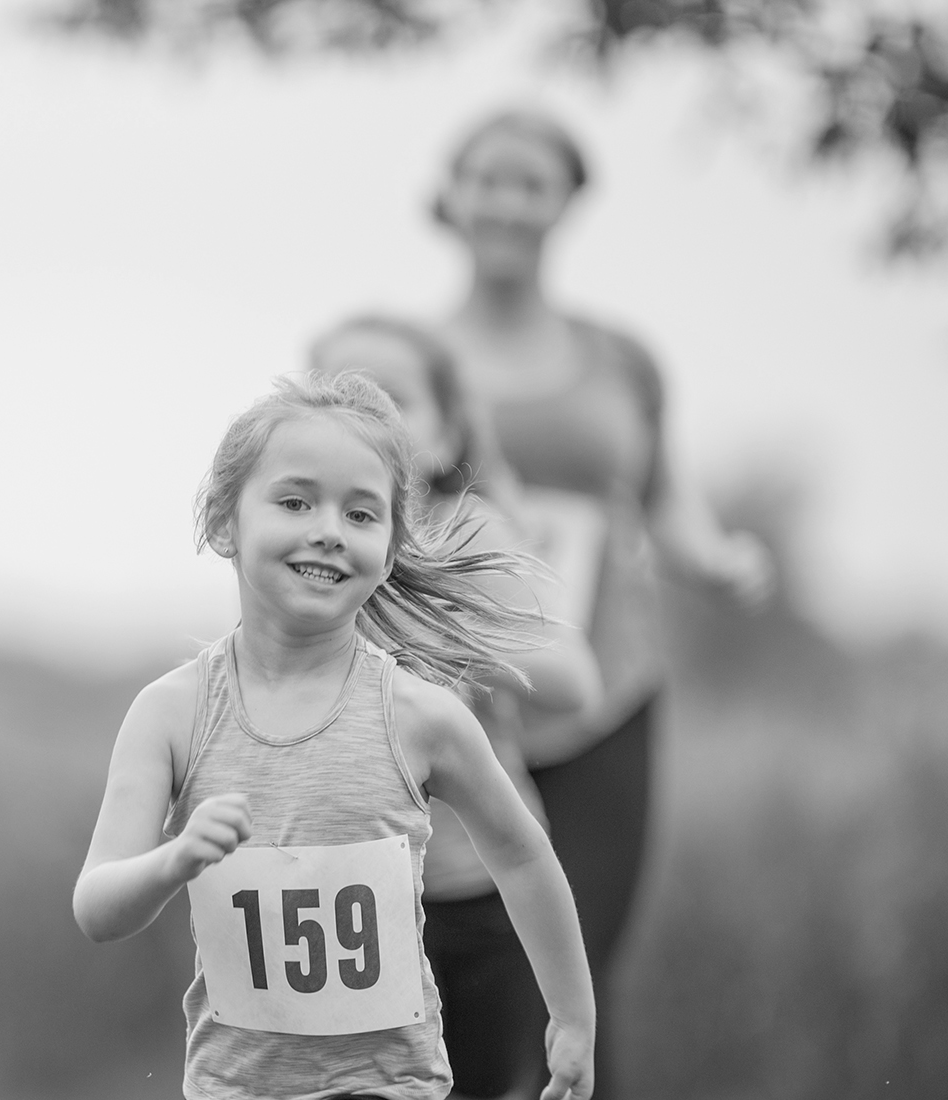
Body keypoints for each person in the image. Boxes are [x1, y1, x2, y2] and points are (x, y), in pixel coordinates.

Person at [72, 371, 596, 1100]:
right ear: (224, 523)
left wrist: (573, 1018)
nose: (328, 529)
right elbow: (97, 908)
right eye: (295, 502)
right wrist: (175, 859)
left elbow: (521, 855)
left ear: (391, 548)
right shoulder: (170, 713)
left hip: (392, 1087)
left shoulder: (424, 716)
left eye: (360, 513)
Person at [432, 108, 774, 1099]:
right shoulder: (404, 358)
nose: (506, 201)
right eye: (487, 178)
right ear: (451, 194)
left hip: (603, 694)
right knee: (476, 972)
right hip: (454, 703)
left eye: (531, 182)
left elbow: (663, 493)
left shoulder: (621, 359)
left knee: (579, 959)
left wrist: (716, 558)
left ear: (566, 204)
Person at [311, 313, 602, 1100]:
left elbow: (574, 680)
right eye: (338, 395)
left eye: (392, 398)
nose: (365, 417)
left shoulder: (467, 532)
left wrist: (434, 627)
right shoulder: (304, 544)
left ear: (444, 435)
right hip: (343, 895)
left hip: (476, 890)